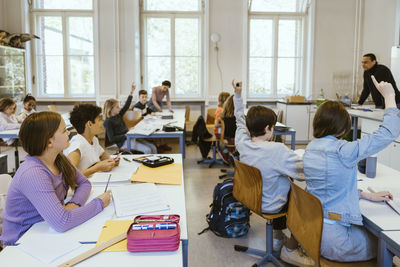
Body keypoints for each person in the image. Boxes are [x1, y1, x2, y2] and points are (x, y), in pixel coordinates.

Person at [303, 76, 400, 262]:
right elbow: (388, 132)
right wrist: (389, 96)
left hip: (313, 232)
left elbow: (329, 187)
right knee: (385, 244)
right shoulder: (343, 151)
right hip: (336, 242)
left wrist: (364, 195)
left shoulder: (310, 148)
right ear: (343, 128)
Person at [233, 80, 314, 266]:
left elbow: (239, 120)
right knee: (304, 197)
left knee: (279, 182)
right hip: (271, 205)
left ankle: (277, 237)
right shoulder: (277, 150)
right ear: (269, 128)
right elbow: (303, 173)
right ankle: (290, 249)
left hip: (250, 199)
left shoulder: (242, 144)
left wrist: (237, 94)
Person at [0, 112, 111, 245]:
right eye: (64, 130)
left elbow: (84, 183)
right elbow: (62, 222)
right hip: (22, 241)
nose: (69, 133)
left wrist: (73, 204)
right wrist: (98, 203)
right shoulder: (33, 173)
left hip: (46, 229)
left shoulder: (58, 159)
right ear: (49, 141)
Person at [64, 104, 118, 178]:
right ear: (89, 124)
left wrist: (112, 160)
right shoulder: (77, 145)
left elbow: (102, 155)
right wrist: (97, 168)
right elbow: (69, 175)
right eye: (99, 120)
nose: (102, 122)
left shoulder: (93, 139)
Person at [103, 83, 157, 154]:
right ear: (111, 109)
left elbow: (126, 106)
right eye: (117, 107)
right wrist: (125, 135)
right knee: (148, 150)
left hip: (130, 136)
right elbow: (111, 138)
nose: (120, 108)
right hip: (123, 142)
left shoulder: (118, 115)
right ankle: (149, 164)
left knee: (153, 147)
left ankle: (156, 163)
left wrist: (131, 92)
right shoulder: (108, 121)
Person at [217, 95, 236, 165]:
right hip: (237, 142)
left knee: (220, 145)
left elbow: (217, 126)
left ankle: (226, 155)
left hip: (227, 141)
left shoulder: (223, 117)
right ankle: (234, 157)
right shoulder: (240, 118)